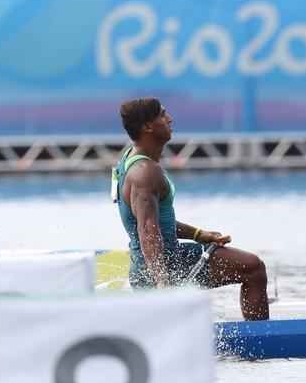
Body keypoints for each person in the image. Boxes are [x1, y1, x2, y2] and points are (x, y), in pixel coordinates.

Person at [113, 98, 270, 320]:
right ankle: (259, 344)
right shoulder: (144, 172)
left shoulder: (131, 160)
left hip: (156, 263)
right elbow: (147, 230)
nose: (170, 119)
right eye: (162, 115)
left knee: (251, 266)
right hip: (164, 267)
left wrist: (198, 235)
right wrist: (162, 282)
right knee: (253, 268)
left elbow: (150, 222)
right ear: (147, 127)